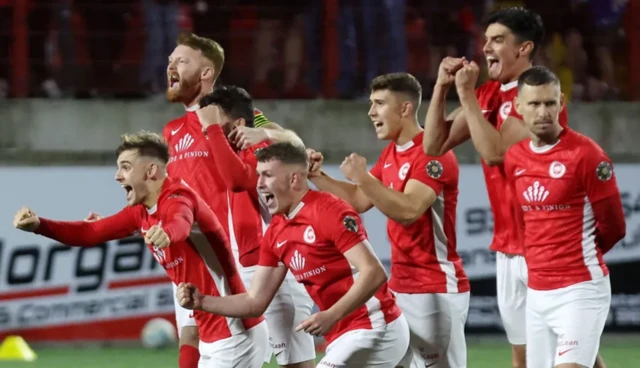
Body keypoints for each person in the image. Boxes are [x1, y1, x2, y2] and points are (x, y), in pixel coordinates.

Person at [420, 7, 614, 367]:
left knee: (549, 355)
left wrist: (465, 96)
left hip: (545, 248)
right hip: (509, 247)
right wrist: (441, 87)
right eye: (486, 39)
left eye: (497, 40)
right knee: (546, 354)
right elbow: (432, 146)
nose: (486, 48)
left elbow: (495, 153)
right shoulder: (489, 94)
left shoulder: (537, 100)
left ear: (523, 48)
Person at [12, 131, 268, 367]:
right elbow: (89, 232)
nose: (117, 176)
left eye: (126, 167)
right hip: (213, 333)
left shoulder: (178, 197)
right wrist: (39, 225)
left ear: (151, 171)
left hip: (234, 333)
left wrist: (168, 233)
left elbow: (180, 221)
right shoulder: (141, 212)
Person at [175, 142, 410, 368]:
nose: (259, 184)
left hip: (377, 326)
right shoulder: (276, 232)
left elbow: (375, 272)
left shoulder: (329, 210)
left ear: (294, 179)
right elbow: (255, 302)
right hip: (343, 336)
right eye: (258, 175)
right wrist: (203, 301)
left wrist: (331, 315)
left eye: (267, 175)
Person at [307, 73, 470, 368]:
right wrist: (318, 177)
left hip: (434, 288)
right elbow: (359, 199)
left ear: (405, 108)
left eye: (379, 103)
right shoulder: (392, 153)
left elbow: (408, 211)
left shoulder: (433, 154)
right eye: (371, 104)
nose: (371, 112)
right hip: (401, 286)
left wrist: (363, 177)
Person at [162, 32, 304, 367]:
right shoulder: (172, 131)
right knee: (191, 331)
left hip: (251, 255)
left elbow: (293, 142)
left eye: (181, 61)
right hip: (196, 254)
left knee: (292, 356)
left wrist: (267, 133)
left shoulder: (240, 115)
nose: (171, 66)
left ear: (207, 72)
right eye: (170, 61)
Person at [504, 66, 625, 368]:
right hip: (537, 293)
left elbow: (614, 226)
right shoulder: (515, 158)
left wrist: (576, 255)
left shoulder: (587, 155)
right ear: (519, 107)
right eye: (534, 104)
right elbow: (525, 223)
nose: (543, 111)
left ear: (561, 104)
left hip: (580, 289)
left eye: (550, 103)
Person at [195, 85, 316, 368]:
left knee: (295, 363)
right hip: (243, 272)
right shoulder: (224, 149)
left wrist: (214, 128)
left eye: (215, 119)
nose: (206, 127)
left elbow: (239, 180)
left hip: (276, 273)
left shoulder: (259, 147)